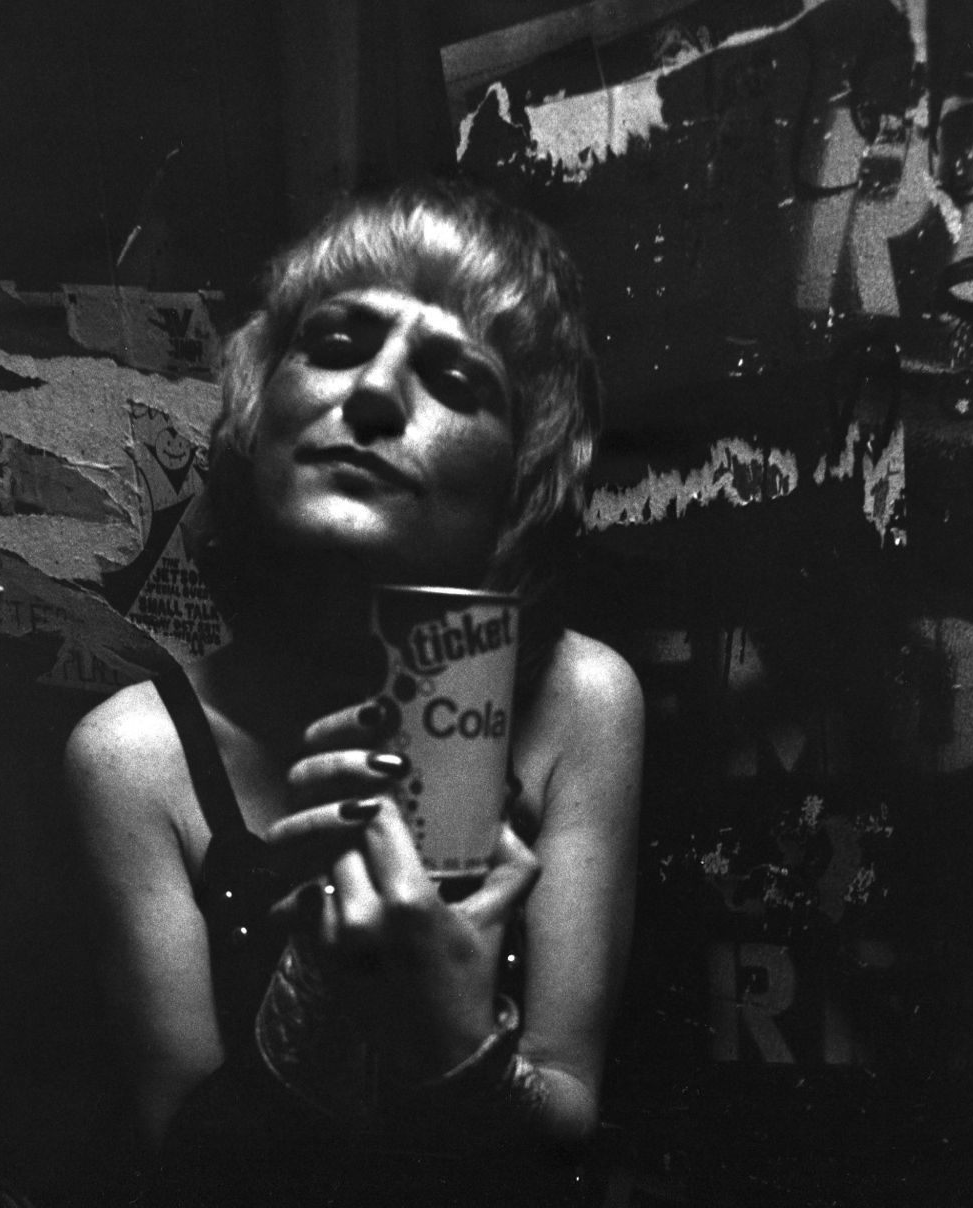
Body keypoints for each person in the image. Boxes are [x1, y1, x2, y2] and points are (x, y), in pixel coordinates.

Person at [64, 180, 644, 1206]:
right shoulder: (130, 753)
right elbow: (181, 1160)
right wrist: (321, 985)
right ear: (259, 409)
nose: (373, 393)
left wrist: (458, 1036)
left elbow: (567, 1125)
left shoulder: (577, 699)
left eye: (455, 377)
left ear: (521, 473)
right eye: (332, 345)